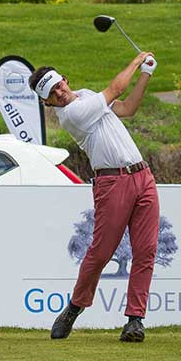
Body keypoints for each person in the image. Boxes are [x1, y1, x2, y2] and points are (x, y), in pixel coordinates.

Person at [28, 51, 159, 343]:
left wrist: (147, 74)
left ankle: (135, 321)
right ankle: (74, 308)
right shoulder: (71, 116)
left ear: (65, 79)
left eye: (59, 85)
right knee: (101, 252)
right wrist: (137, 62)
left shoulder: (86, 95)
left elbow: (127, 108)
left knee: (147, 250)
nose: (59, 93)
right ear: (46, 102)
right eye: (52, 94)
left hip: (142, 176)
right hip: (112, 183)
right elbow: (116, 90)